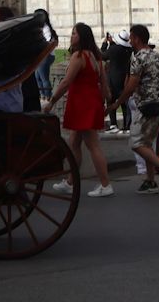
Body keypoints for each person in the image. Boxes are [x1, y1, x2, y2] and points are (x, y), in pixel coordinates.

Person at [44, 23, 113, 197]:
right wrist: (106, 103)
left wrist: (52, 101)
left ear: (81, 36)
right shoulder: (96, 57)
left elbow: (66, 82)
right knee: (74, 142)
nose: (71, 36)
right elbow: (104, 85)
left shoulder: (79, 56)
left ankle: (105, 184)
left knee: (92, 144)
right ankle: (70, 181)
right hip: (91, 102)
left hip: (82, 103)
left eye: (74, 33)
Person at [109, 25, 159, 194]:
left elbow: (132, 84)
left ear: (137, 38)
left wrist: (117, 103)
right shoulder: (155, 56)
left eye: (131, 38)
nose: (130, 41)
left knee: (136, 142)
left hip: (145, 105)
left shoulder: (138, 57)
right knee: (147, 143)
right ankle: (150, 180)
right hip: (158, 103)